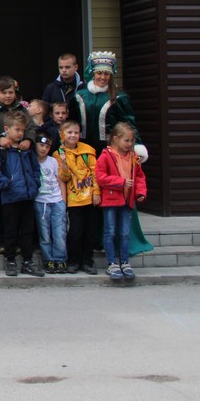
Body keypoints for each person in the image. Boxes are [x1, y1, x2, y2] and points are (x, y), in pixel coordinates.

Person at [74, 51, 152, 256]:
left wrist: (136, 145)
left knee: (114, 195)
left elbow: (128, 123)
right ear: (92, 73)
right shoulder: (80, 96)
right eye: (99, 73)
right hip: (85, 154)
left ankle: (118, 241)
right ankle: (92, 240)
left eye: (106, 74)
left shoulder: (119, 97)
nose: (102, 77)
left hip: (111, 154)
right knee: (90, 195)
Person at [0, 112, 44, 278]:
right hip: (10, 197)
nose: (20, 133)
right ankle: (10, 260)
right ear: (7, 129)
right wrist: (7, 184)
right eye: (17, 130)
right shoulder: (0, 150)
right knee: (10, 230)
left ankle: (27, 261)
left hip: (27, 195)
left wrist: (35, 183)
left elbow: (36, 169)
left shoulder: (27, 150)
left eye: (23, 130)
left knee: (27, 230)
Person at [96, 122, 147, 281]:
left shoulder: (133, 157)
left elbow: (139, 176)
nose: (130, 144)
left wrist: (140, 192)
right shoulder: (106, 155)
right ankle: (112, 263)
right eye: (126, 140)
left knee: (125, 233)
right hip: (111, 200)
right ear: (116, 139)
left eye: (131, 141)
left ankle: (125, 262)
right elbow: (100, 177)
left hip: (127, 201)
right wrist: (121, 182)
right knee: (110, 232)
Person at [56, 120, 99, 274]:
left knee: (90, 232)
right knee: (75, 232)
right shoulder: (58, 154)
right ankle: (73, 261)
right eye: (69, 132)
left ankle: (88, 262)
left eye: (76, 132)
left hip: (89, 198)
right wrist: (64, 164)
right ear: (62, 134)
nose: (73, 135)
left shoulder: (88, 151)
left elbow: (95, 173)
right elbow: (64, 178)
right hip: (74, 200)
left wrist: (96, 192)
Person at [33, 132, 68, 274]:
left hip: (56, 200)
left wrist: (63, 201)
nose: (44, 149)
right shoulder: (32, 161)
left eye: (47, 147)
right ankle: (49, 260)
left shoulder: (53, 161)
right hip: (40, 202)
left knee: (59, 233)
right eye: (41, 145)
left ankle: (60, 259)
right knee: (45, 234)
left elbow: (61, 181)